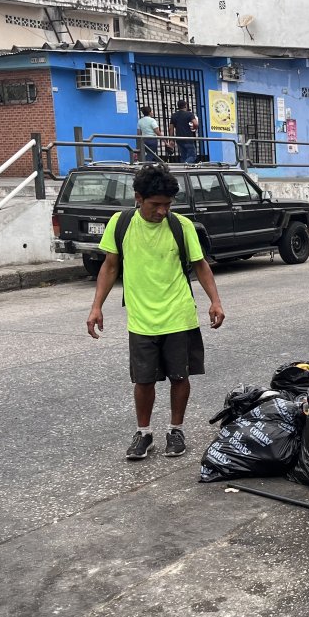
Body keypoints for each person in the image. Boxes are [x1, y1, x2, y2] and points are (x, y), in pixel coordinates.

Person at [87, 163, 226, 460]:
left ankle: (176, 429)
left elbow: (201, 266)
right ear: (138, 197)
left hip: (179, 314)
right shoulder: (120, 223)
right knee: (144, 380)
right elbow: (110, 266)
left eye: (167, 204)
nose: (162, 211)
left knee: (179, 376)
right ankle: (144, 433)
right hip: (141, 319)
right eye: (155, 205)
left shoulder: (181, 226)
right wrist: (96, 306)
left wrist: (215, 301)